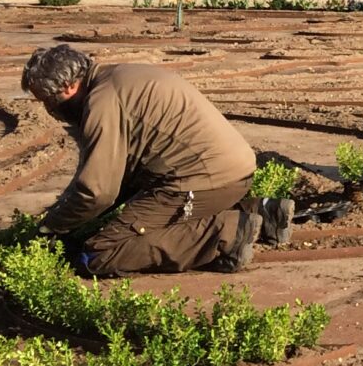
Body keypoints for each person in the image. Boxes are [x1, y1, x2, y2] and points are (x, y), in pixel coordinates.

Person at [21, 44, 262, 274]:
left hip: (204, 180)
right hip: (234, 172)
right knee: (130, 217)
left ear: (67, 86)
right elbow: (123, 176)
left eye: (48, 101)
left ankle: (228, 232)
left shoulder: (102, 102)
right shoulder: (119, 75)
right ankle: (266, 213)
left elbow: (98, 192)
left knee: (100, 252)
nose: (50, 110)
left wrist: (51, 227)